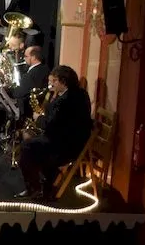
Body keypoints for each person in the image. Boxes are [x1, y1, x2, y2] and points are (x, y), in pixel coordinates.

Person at [17, 65, 92, 199]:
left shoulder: (66, 100)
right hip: (68, 139)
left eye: (54, 81)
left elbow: (50, 124)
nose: (51, 84)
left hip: (65, 146)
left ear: (64, 81)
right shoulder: (80, 93)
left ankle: (35, 187)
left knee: (26, 147)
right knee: (32, 143)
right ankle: (46, 181)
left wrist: (38, 118)